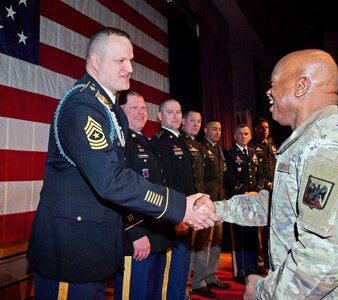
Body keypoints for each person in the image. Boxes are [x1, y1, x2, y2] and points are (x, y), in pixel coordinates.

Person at [26, 27, 219, 300]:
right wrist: (178, 206)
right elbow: (111, 179)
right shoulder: (82, 106)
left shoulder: (109, 108)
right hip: (71, 250)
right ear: (96, 61)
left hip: (92, 246)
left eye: (130, 60)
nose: (129, 68)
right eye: (121, 61)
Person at [198, 49, 338, 299]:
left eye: (273, 83)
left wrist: (263, 292)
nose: (269, 92)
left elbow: (325, 254)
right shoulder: (309, 143)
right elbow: (280, 206)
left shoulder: (328, 148)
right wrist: (216, 209)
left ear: (301, 86)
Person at [113, 90, 175, 299]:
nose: (140, 112)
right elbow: (119, 191)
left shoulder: (144, 141)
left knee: (156, 292)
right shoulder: (120, 143)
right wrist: (135, 231)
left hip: (159, 233)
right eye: (134, 107)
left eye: (143, 107)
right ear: (121, 112)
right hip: (139, 238)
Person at [150, 99, 196, 300]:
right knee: (172, 269)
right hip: (174, 215)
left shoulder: (181, 141)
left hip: (186, 211)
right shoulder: (160, 142)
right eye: (170, 112)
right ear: (160, 116)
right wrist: (175, 216)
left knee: (182, 265)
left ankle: (179, 295)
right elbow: (165, 183)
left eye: (178, 112)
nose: (176, 116)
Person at [192, 119, 230, 298]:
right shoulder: (200, 148)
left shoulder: (218, 149)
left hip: (218, 203)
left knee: (216, 242)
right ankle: (198, 281)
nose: (218, 132)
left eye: (220, 129)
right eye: (214, 129)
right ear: (205, 130)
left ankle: (210, 275)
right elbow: (199, 177)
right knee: (202, 244)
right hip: (206, 204)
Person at [223, 123, 265, 284]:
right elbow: (228, 176)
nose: (243, 136)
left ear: (250, 135)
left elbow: (260, 175)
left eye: (246, 133)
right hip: (239, 200)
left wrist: (258, 190)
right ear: (235, 136)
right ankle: (241, 270)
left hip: (254, 200)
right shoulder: (229, 153)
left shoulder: (254, 153)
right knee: (240, 236)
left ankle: (251, 268)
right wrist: (245, 191)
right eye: (240, 134)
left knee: (252, 235)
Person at [180, 109, 204, 300]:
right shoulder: (179, 142)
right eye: (192, 120)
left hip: (199, 201)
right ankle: (183, 288)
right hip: (185, 204)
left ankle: (194, 283)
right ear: (183, 121)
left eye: (198, 121)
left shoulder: (198, 145)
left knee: (197, 247)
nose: (196, 124)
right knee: (185, 249)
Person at [249, 118, 277, 273]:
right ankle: (258, 261)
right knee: (258, 229)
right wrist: (266, 183)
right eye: (261, 128)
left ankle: (268, 260)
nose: (265, 130)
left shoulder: (272, 146)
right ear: (255, 129)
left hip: (275, 191)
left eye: (266, 128)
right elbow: (255, 171)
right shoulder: (252, 146)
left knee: (270, 228)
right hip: (260, 190)